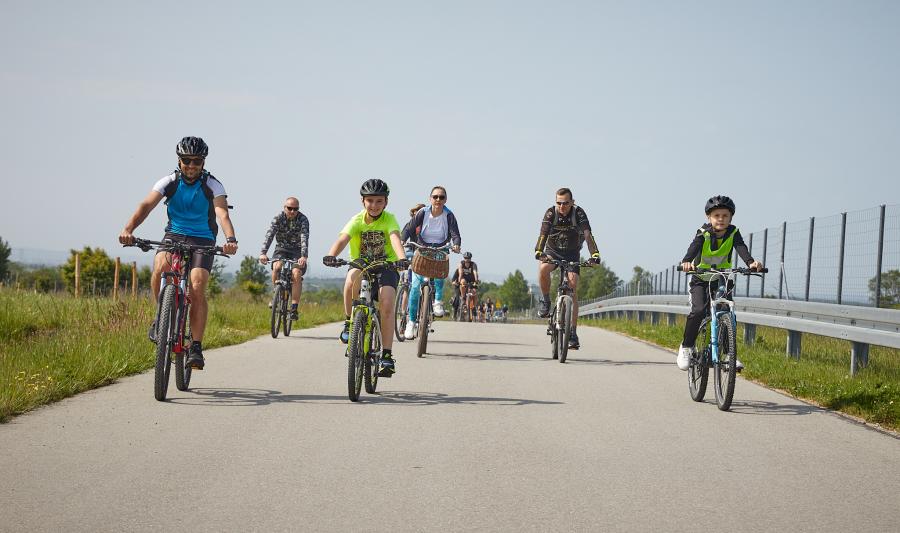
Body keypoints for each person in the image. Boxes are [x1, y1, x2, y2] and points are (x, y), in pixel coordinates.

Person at [119, 136, 238, 370]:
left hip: (203, 238)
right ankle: (161, 316)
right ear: (179, 160)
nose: (191, 165)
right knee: (160, 267)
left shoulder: (213, 185)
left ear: (203, 163)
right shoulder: (169, 181)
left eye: (196, 161)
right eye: (186, 160)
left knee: (197, 284)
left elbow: (222, 214)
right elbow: (146, 205)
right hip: (174, 234)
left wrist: (230, 240)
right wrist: (128, 229)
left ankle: (195, 346)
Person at [323, 179, 409, 377]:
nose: (374, 205)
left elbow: (395, 238)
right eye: (370, 200)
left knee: (386, 302)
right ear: (363, 201)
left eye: (379, 201)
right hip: (361, 263)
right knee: (350, 281)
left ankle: (386, 356)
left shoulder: (389, 219)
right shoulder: (357, 220)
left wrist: (402, 259)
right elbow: (343, 239)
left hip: (387, 265)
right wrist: (331, 255)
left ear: (386, 202)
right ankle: (349, 323)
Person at [677, 195, 763, 372]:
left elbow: (741, 248)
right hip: (700, 279)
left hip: (722, 277)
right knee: (698, 311)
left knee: (726, 312)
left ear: (731, 217)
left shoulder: (733, 232)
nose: (721, 219)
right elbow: (694, 247)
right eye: (716, 215)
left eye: (725, 215)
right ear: (709, 217)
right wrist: (686, 262)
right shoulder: (703, 233)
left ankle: (728, 354)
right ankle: (686, 347)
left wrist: (751, 263)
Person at [534, 187, 601, 350]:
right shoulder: (551, 213)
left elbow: (587, 235)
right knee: (543, 269)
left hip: (572, 253)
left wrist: (594, 254)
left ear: (572, 202)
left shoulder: (579, 213)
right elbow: (543, 234)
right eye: (558, 203)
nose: (561, 206)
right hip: (553, 251)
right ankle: (546, 301)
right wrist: (539, 251)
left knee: (572, 286)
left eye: (565, 203)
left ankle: (572, 333)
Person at [400, 186, 461, 340]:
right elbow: (409, 227)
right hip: (422, 248)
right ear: (430, 199)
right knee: (415, 286)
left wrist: (456, 244)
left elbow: (455, 233)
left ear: (445, 200)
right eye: (435, 197)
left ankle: (438, 301)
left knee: (440, 272)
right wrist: (402, 239)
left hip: (441, 247)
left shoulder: (449, 215)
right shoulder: (423, 212)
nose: (438, 200)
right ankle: (411, 322)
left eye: (441, 197)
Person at [259, 197, 309, 320]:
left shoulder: (303, 219)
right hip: (281, 248)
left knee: (296, 273)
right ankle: (275, 295)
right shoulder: (278, 218)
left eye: (295, 209)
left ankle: (294, 308)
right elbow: (270, 235)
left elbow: (304, 237)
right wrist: (263, 253)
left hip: (297, 251)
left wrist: (303, 256)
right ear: (284, 208)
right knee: (276, 267)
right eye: (290, 208)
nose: (292, 211)